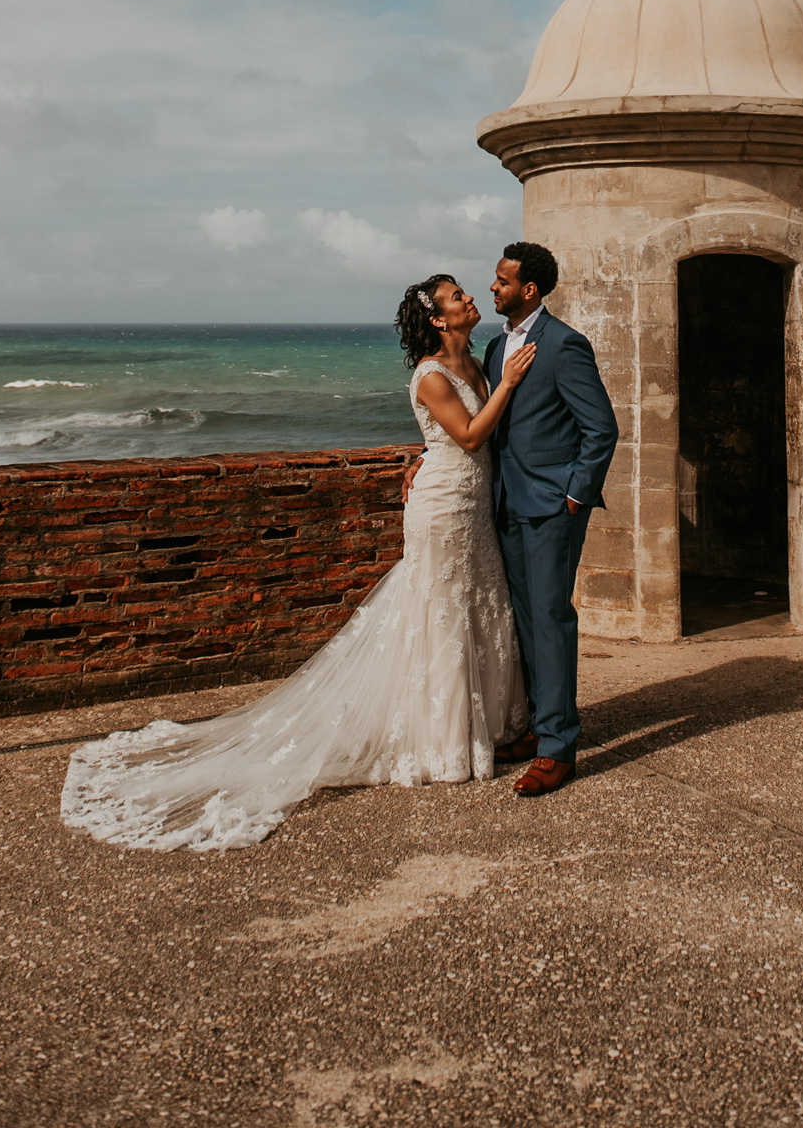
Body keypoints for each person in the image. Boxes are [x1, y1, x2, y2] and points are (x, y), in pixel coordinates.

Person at [60, 276, 533, 852]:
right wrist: (508, 385)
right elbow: (466, 435)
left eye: (464, 294)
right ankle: (441, 743)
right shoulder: (433, 374)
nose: (469, 299)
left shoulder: (477, 364)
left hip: (474, 506)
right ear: (437, 319)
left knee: (476, 606)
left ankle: (479, 727)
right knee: (438, 612)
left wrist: (449, 427)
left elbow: (459, 438)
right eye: (457, 296)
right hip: (441, 507)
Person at [407, 242, 618, 797]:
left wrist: (574, 494)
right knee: (521, 622)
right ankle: (535, 726)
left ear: (528, 289)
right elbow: (476, 426)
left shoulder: (564, 345)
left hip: (550, 507)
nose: (491, 288)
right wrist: (426, 459)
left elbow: (601, 429)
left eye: (501, 282)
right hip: (499, 506)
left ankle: (557, 748)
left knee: (550, 620)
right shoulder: (495, 349)